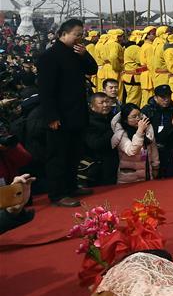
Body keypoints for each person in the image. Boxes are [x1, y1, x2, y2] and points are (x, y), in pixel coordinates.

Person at [35, 18, 98, 207]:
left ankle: (71, 186)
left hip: (76, 113)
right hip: (59, 116)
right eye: (77, 35)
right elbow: (46, 91)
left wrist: (85, 55)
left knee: (74, 153)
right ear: (63, 34)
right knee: (58, 156)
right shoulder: (50, 57)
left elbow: (92, 70)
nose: (80, 38)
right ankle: (57, 194)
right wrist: (51, 116)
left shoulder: (76, 53)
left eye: (82, 35)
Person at [110, 103, 159, 184]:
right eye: (134, 117)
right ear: (125, 119)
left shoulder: (147, 129)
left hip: (146, 174)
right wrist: (139, 131)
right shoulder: (121, 134)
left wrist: (155, 166)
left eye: (139, 115)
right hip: (128, 178)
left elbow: (153, 148)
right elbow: (132, 151)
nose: (138, 119)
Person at [80, 92, 118, 187]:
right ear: (92, 106)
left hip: (114, 164)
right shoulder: (88, 122)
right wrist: (113, 130)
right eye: (101, 103)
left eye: (107, 102)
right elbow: (95, 144)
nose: (105, 105)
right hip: (97, 166)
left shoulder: (113, 118)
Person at [120, 30, 145, 106]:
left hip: (129, 76)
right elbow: (142, 62)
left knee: (131, 98)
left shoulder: (129, 47)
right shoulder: (135, 48)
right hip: (134, 78)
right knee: (134, 101)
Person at [138, 26, 157, 106]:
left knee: (145, 98)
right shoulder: (149, 47)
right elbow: (151, 64)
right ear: (147, 35)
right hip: (148, 75)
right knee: (148, 99)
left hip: (145, 73)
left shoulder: (144, 45)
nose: (155, 35)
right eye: (153, 34)